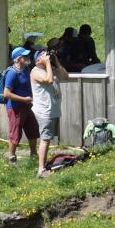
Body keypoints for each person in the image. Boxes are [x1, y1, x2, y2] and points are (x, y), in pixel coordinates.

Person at [30, 49, 69, 178]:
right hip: (44, 111)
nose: (46, 57)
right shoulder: (35, 72)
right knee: (45, 139)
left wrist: (56, 60)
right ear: (37, 60)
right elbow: (49, 80)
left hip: (53, 110)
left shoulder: (50, 67)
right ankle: (41, 170)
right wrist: (47, 64)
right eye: (43, 55)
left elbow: (65, 76)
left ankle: (45, 164)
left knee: (48, 139)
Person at [3, 47, 39, 165]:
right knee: (15, 134)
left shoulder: (26, 69)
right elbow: (6, 93)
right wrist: (24, 99)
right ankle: (12, 158)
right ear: (18, 59)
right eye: (25, 56)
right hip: (15, 109)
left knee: (33, 130)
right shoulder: (12, 73)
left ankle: (34, 155)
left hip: (27, 107)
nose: (28, 57)